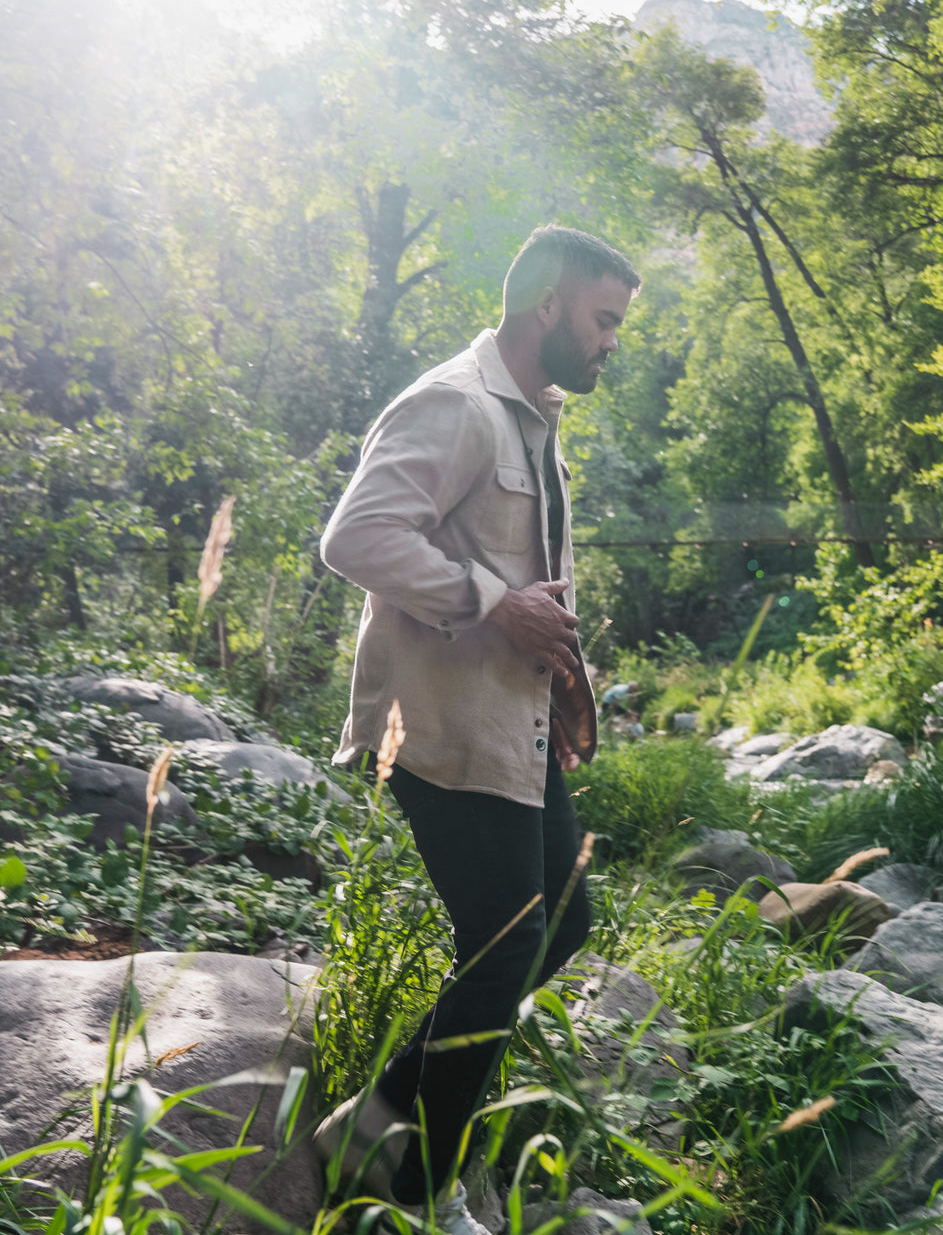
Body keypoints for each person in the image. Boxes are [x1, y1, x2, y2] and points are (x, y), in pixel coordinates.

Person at [316, 225, 641, 1233]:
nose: (608, 343)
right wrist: (496, 602)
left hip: (515, 725)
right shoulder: (453, 404)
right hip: (442, 725)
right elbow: (355, 537)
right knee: (500, 951)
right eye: (602, 320)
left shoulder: (532, 417)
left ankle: (369, 1121)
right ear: (546, 305)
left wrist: (555, 674)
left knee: (565, 920)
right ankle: (420, 1189)